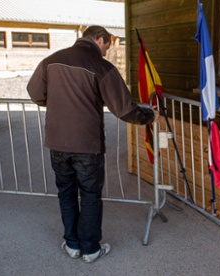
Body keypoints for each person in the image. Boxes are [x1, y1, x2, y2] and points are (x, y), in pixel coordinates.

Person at [26, 25, 159, 263]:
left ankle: (72, 244)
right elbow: (125, 109)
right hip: (87, 144)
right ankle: (90, 249)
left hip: (57, 142)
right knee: (89, 195)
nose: (106, 52)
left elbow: (35, 93)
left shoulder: (51, 60)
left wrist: (58, 101)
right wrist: (150, 116)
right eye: (107, 46)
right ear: (100, 39)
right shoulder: (101, 66)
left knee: (66, 192)